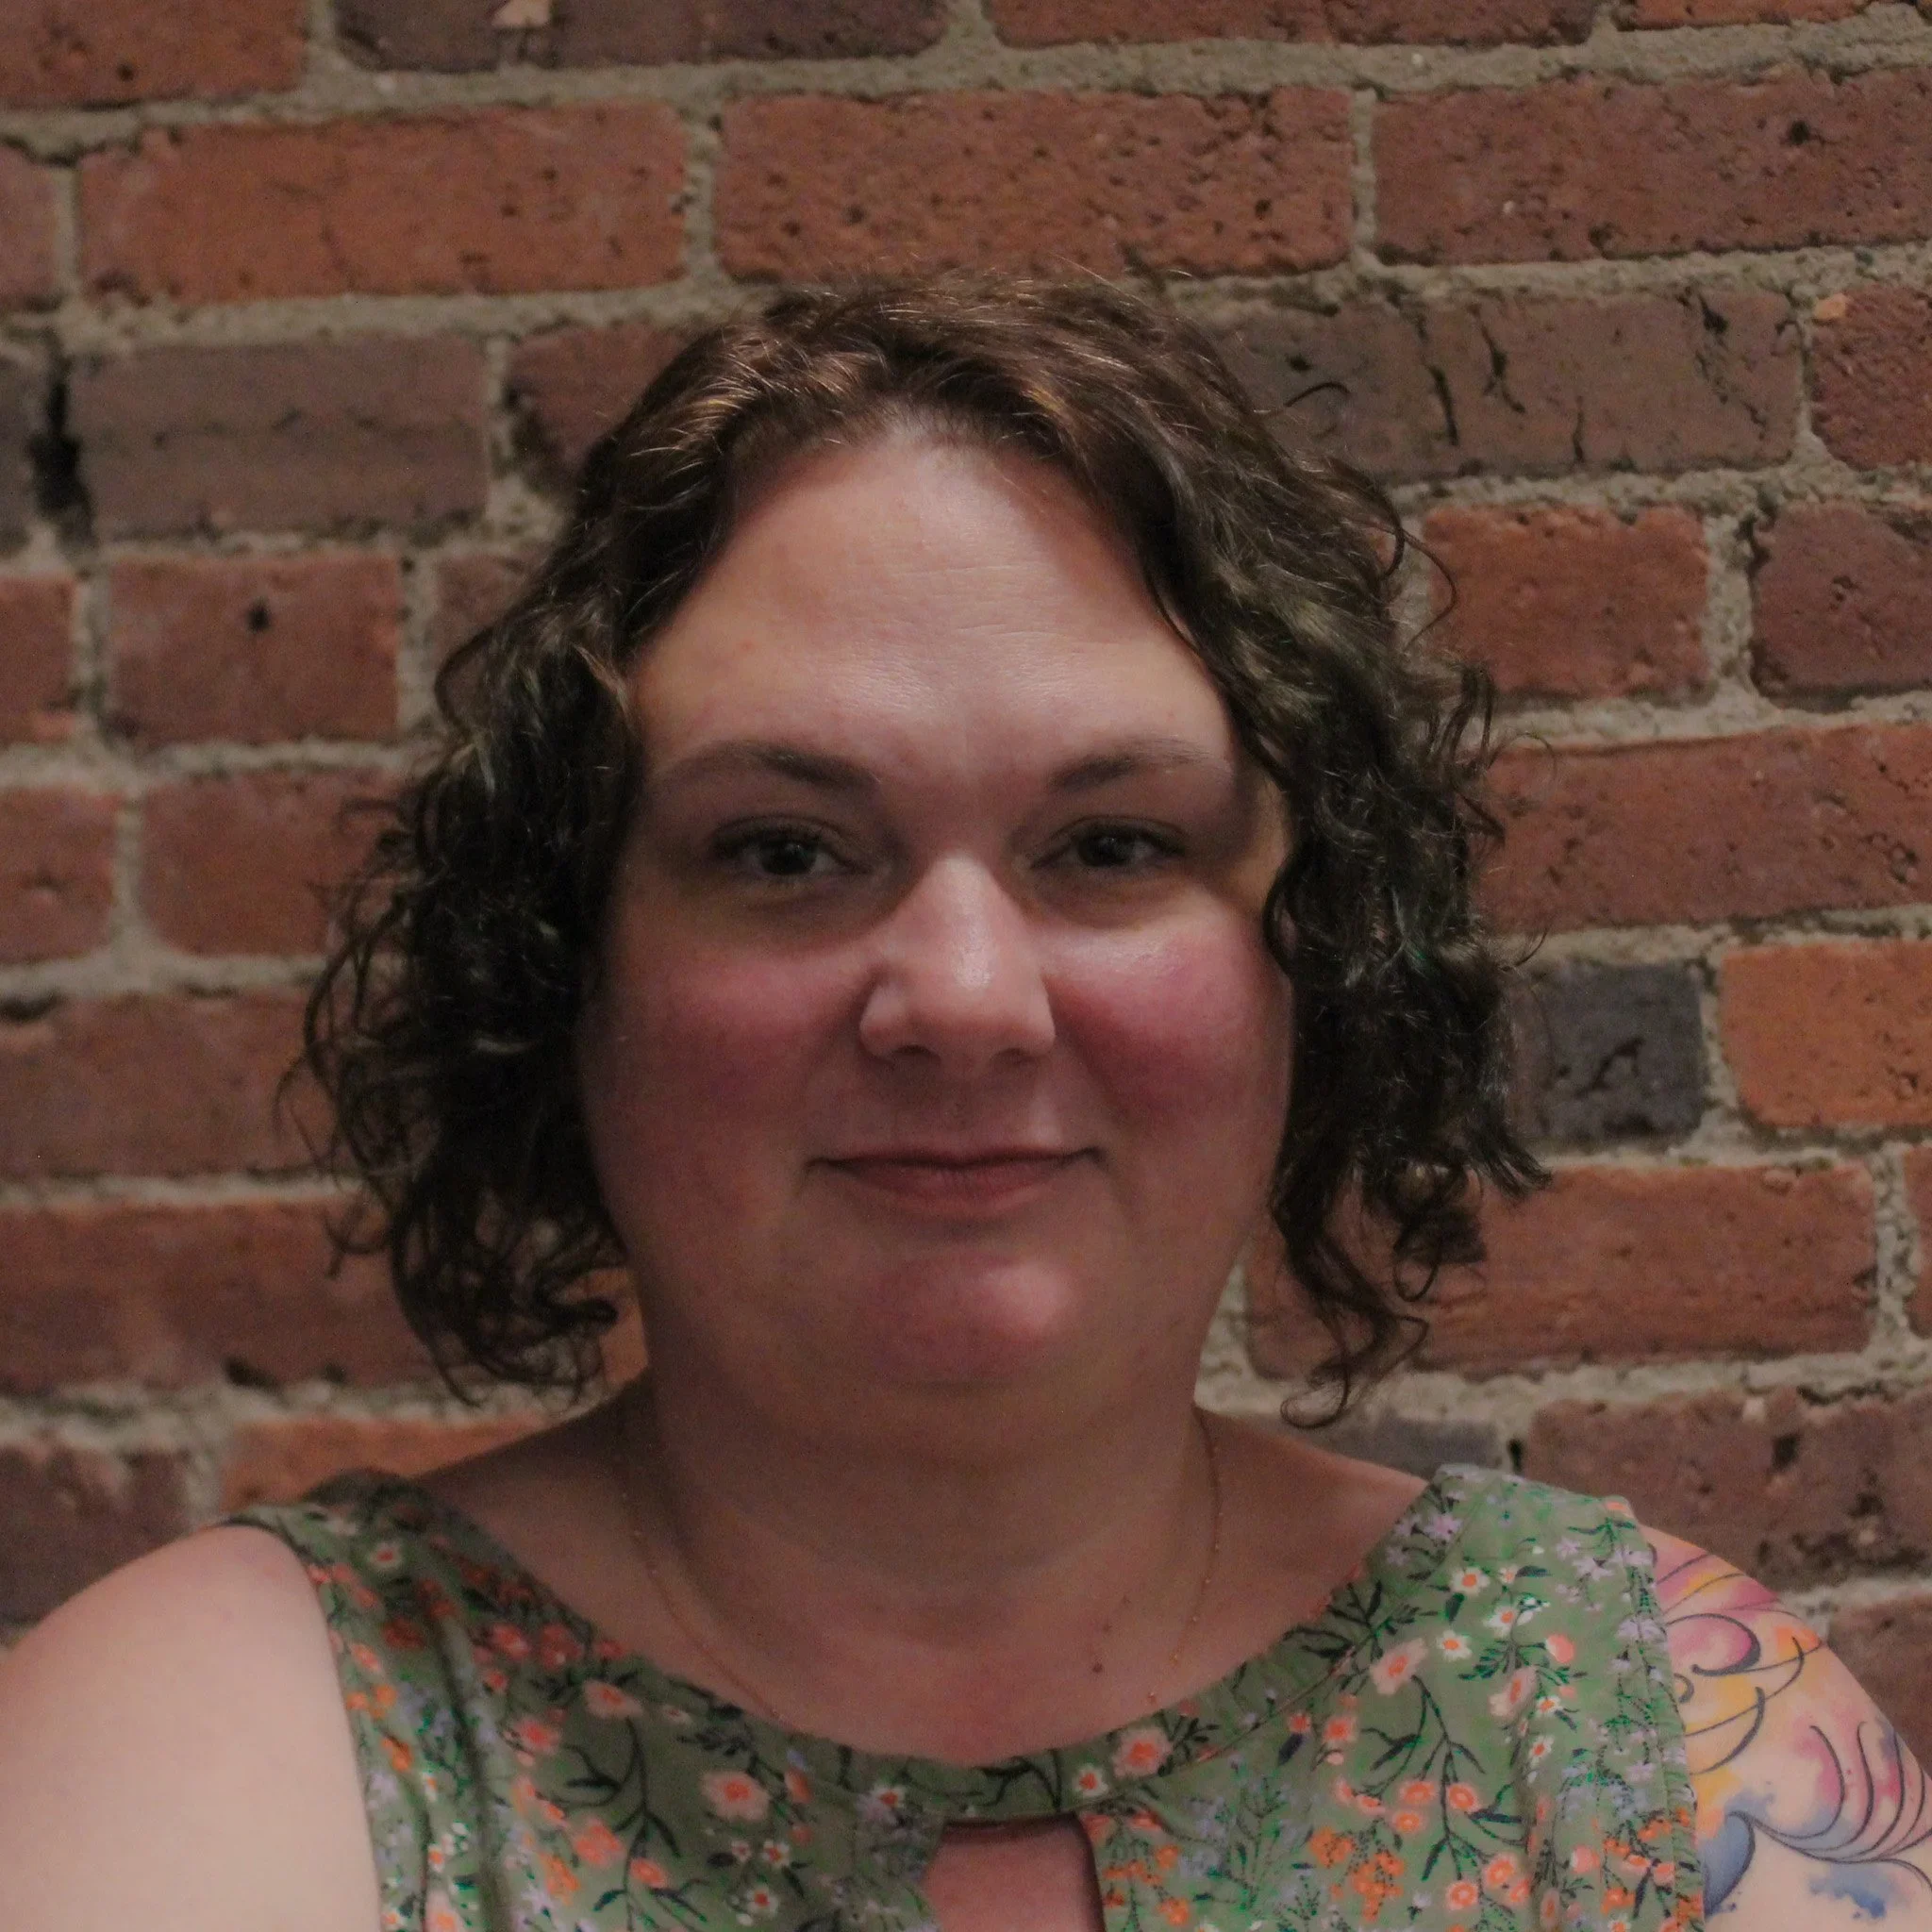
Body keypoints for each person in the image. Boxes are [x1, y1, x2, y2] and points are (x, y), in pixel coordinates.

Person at [0, 275, 1924, 1932]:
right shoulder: (220, 1742)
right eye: (781, 851)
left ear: (1312, 960)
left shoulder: (1648, 1734)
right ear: (565, 970)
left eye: (1106, 842)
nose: (963, 1000)